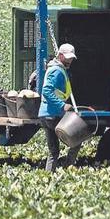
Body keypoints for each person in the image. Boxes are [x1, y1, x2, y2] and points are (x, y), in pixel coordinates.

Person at [38, 43, 81, 171]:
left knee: (53, 150)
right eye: (67, 58)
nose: (70, 61)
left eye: (71, 58)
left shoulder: (55, 68)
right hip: (53, 114)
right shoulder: (57, 71)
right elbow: (46, 91)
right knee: (76, 140)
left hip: (45, 114)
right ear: (60, 55)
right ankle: (67, 168)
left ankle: (49, 175)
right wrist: (62, 105)